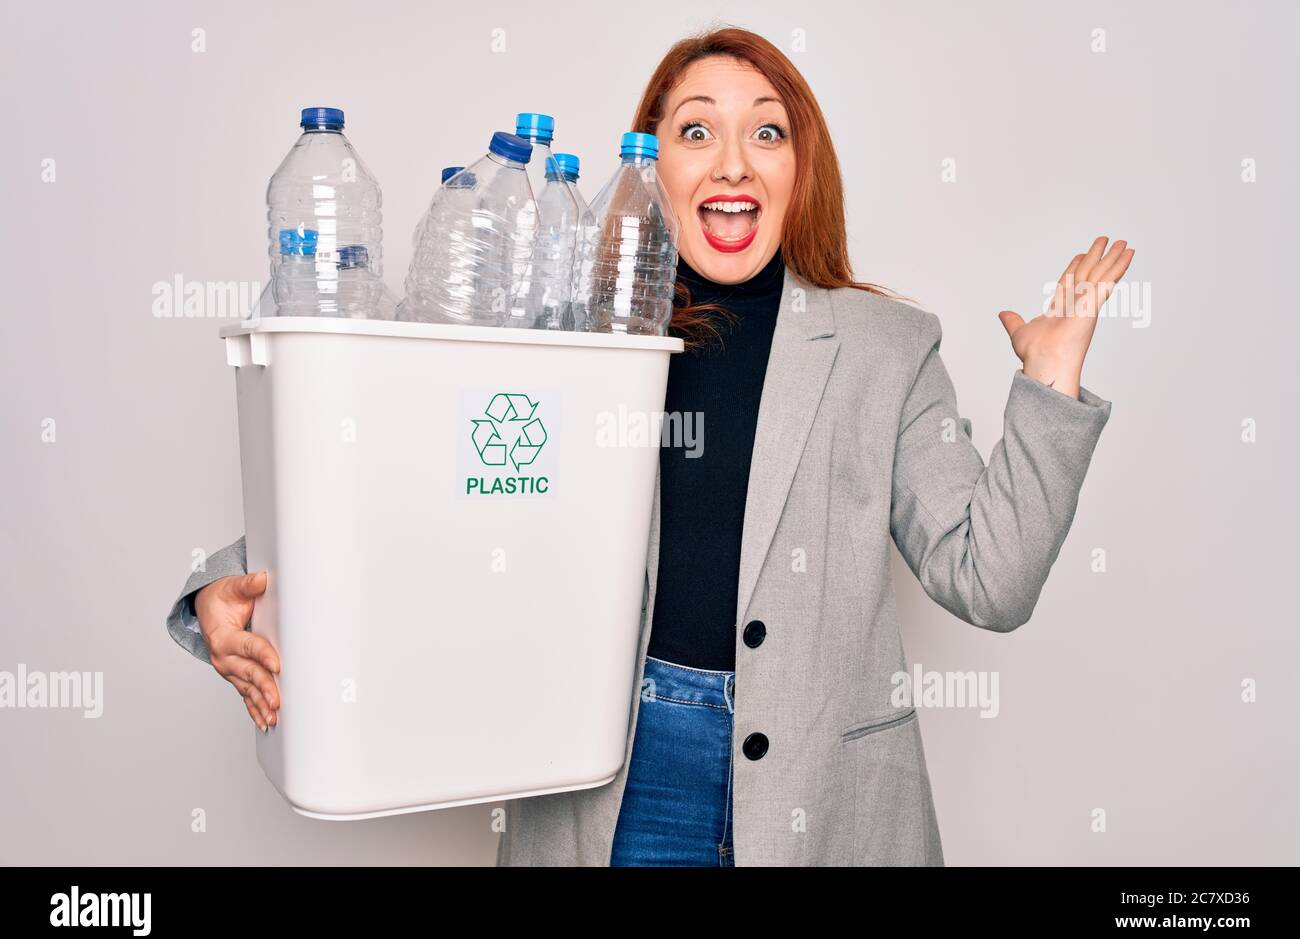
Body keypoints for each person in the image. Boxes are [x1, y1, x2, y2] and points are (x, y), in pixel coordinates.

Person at [165, 27, 1133, 867]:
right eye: (695, 130)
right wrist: (230, 582)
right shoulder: (559, 331)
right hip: (610, 767)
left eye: (768, 130)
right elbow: (391, 479)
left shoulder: (889, 346)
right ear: (650, 164)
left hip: (821, 786)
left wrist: (1048, 386)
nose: (732, 163)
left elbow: (990, 582)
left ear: (803, 170)